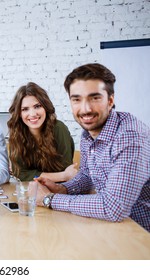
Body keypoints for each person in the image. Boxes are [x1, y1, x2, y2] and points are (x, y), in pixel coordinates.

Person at [35, 63, 150, 232]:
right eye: (77, 99)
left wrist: (49, 199)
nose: (85, 109)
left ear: (110, 101)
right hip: (112, 228)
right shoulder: (89, 133)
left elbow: (114, 207)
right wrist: (62, 188)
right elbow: (88, 175)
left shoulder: (130, 136)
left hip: (140, 233)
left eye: (95, 98)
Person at [7, 82, 77, 182]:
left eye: (37, 106)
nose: (32, 114)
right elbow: (20, 173)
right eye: (25, 109)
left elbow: (66, 170)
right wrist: (62, 176)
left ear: (45, 107)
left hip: (59, 189)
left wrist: (34, 176)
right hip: (31, 190)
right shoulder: (16, 133)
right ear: (19, 113)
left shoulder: (59, 128)